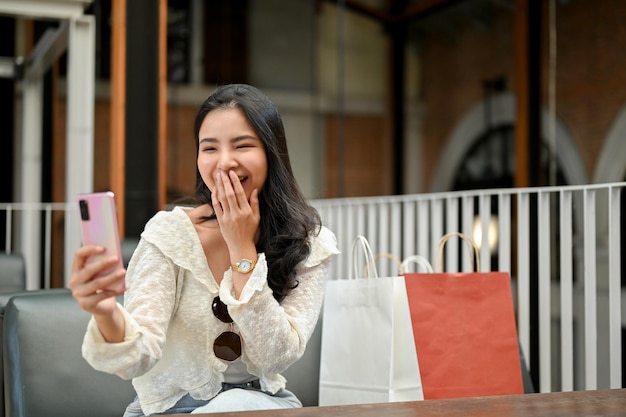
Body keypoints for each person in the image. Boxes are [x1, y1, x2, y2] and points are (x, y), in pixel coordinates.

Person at [69, 83, 340, 416]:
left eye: (242, 145)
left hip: (260, 406)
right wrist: (105, 310)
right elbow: (139, 357)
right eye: (209, 148)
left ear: (272, 153)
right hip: (167, 409)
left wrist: (242, 248)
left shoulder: (308, 243)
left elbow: (278, 355)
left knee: (235, 406)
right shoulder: (170, 234)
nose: (224, 162)